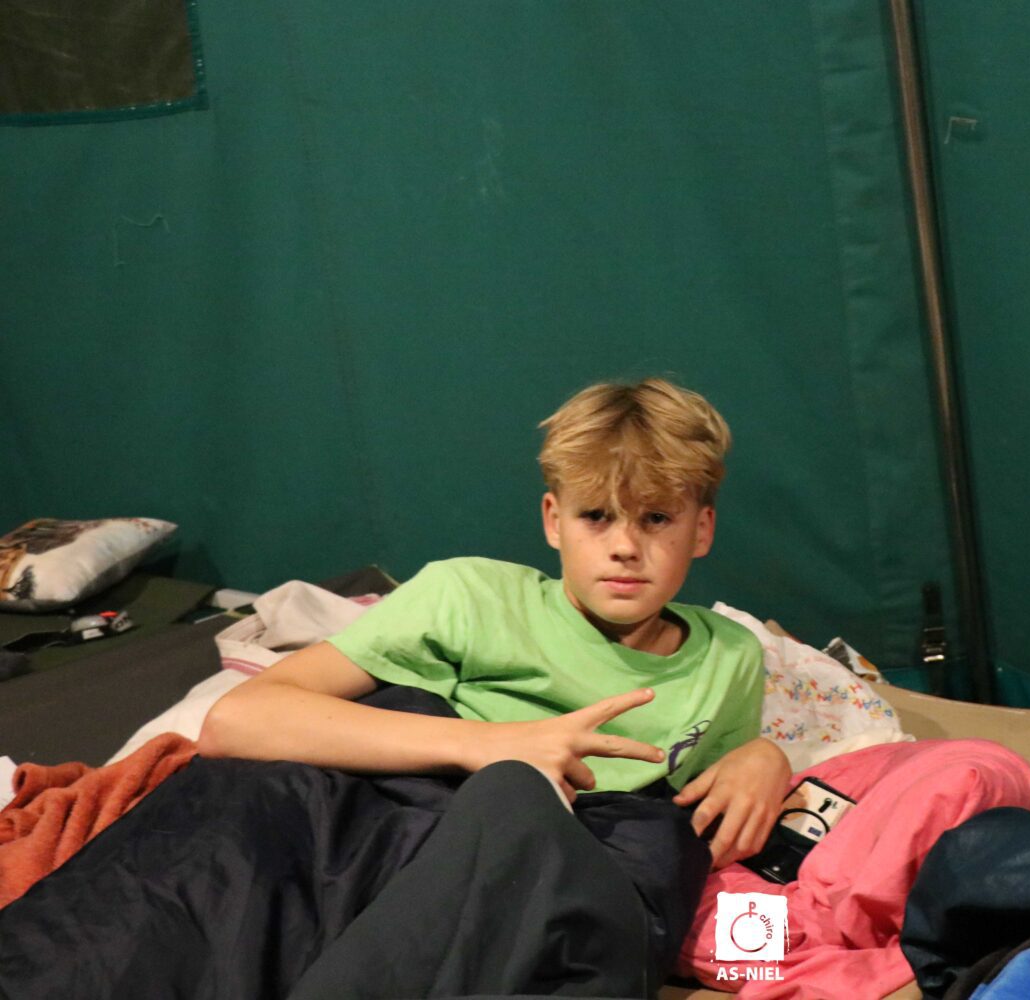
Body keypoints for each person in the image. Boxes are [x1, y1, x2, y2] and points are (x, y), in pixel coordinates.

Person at [0, 378, 790, 999]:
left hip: (550, 860)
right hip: (397, 816)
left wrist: (764, 758)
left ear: (702, 528)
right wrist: (497, 745)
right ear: (553, 520)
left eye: (655, 519)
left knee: (539, 820)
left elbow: (680, 826)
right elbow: (240, 722)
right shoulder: (470, 596)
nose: (624, 547)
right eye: (597, 517)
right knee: (231, 816)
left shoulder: (728, 658)